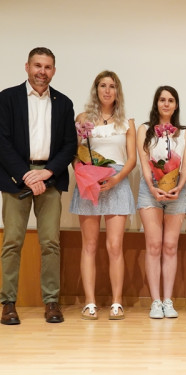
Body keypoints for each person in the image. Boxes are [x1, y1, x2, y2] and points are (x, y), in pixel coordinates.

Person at [0, 47, 77, 325]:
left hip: (50, 177)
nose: (41, 72)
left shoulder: (64, 103)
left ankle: (51, 301)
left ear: (53, 71)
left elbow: (70, 145)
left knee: (50, 243)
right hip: (14, 178)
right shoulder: (7, 98)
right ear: (27, 67)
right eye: (37, 66)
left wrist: (46, 173)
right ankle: (8, 303)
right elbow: (2, 142)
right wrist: (25, 175)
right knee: (12, 242)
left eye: (47, 67)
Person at [70, 71, 136, 320]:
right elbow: (75, 153)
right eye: (103, 86)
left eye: (112, 86)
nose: (107, 90)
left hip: (116, 183)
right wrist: (86, 174)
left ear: (118, 91)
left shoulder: (127, 122)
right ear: (96, 89)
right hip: (89, 183)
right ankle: (89, 302)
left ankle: (117, 302)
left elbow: (131, 159)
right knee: (89, 245)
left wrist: (117, 178)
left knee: (115, 246)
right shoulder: (83, 118)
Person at [137, 86, 186, 319]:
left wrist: (179, 187)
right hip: (150, 191)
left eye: (171, 100)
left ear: (176, 105)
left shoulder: (185, 132)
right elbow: (143, 162)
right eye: (162, 100)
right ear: (156, 103)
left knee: (170, 246)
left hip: (177, 191)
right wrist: (153, 187)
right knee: (154, 246)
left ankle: (168, 301)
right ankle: (155, 301)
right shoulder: (145, 129)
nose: (166, 104)